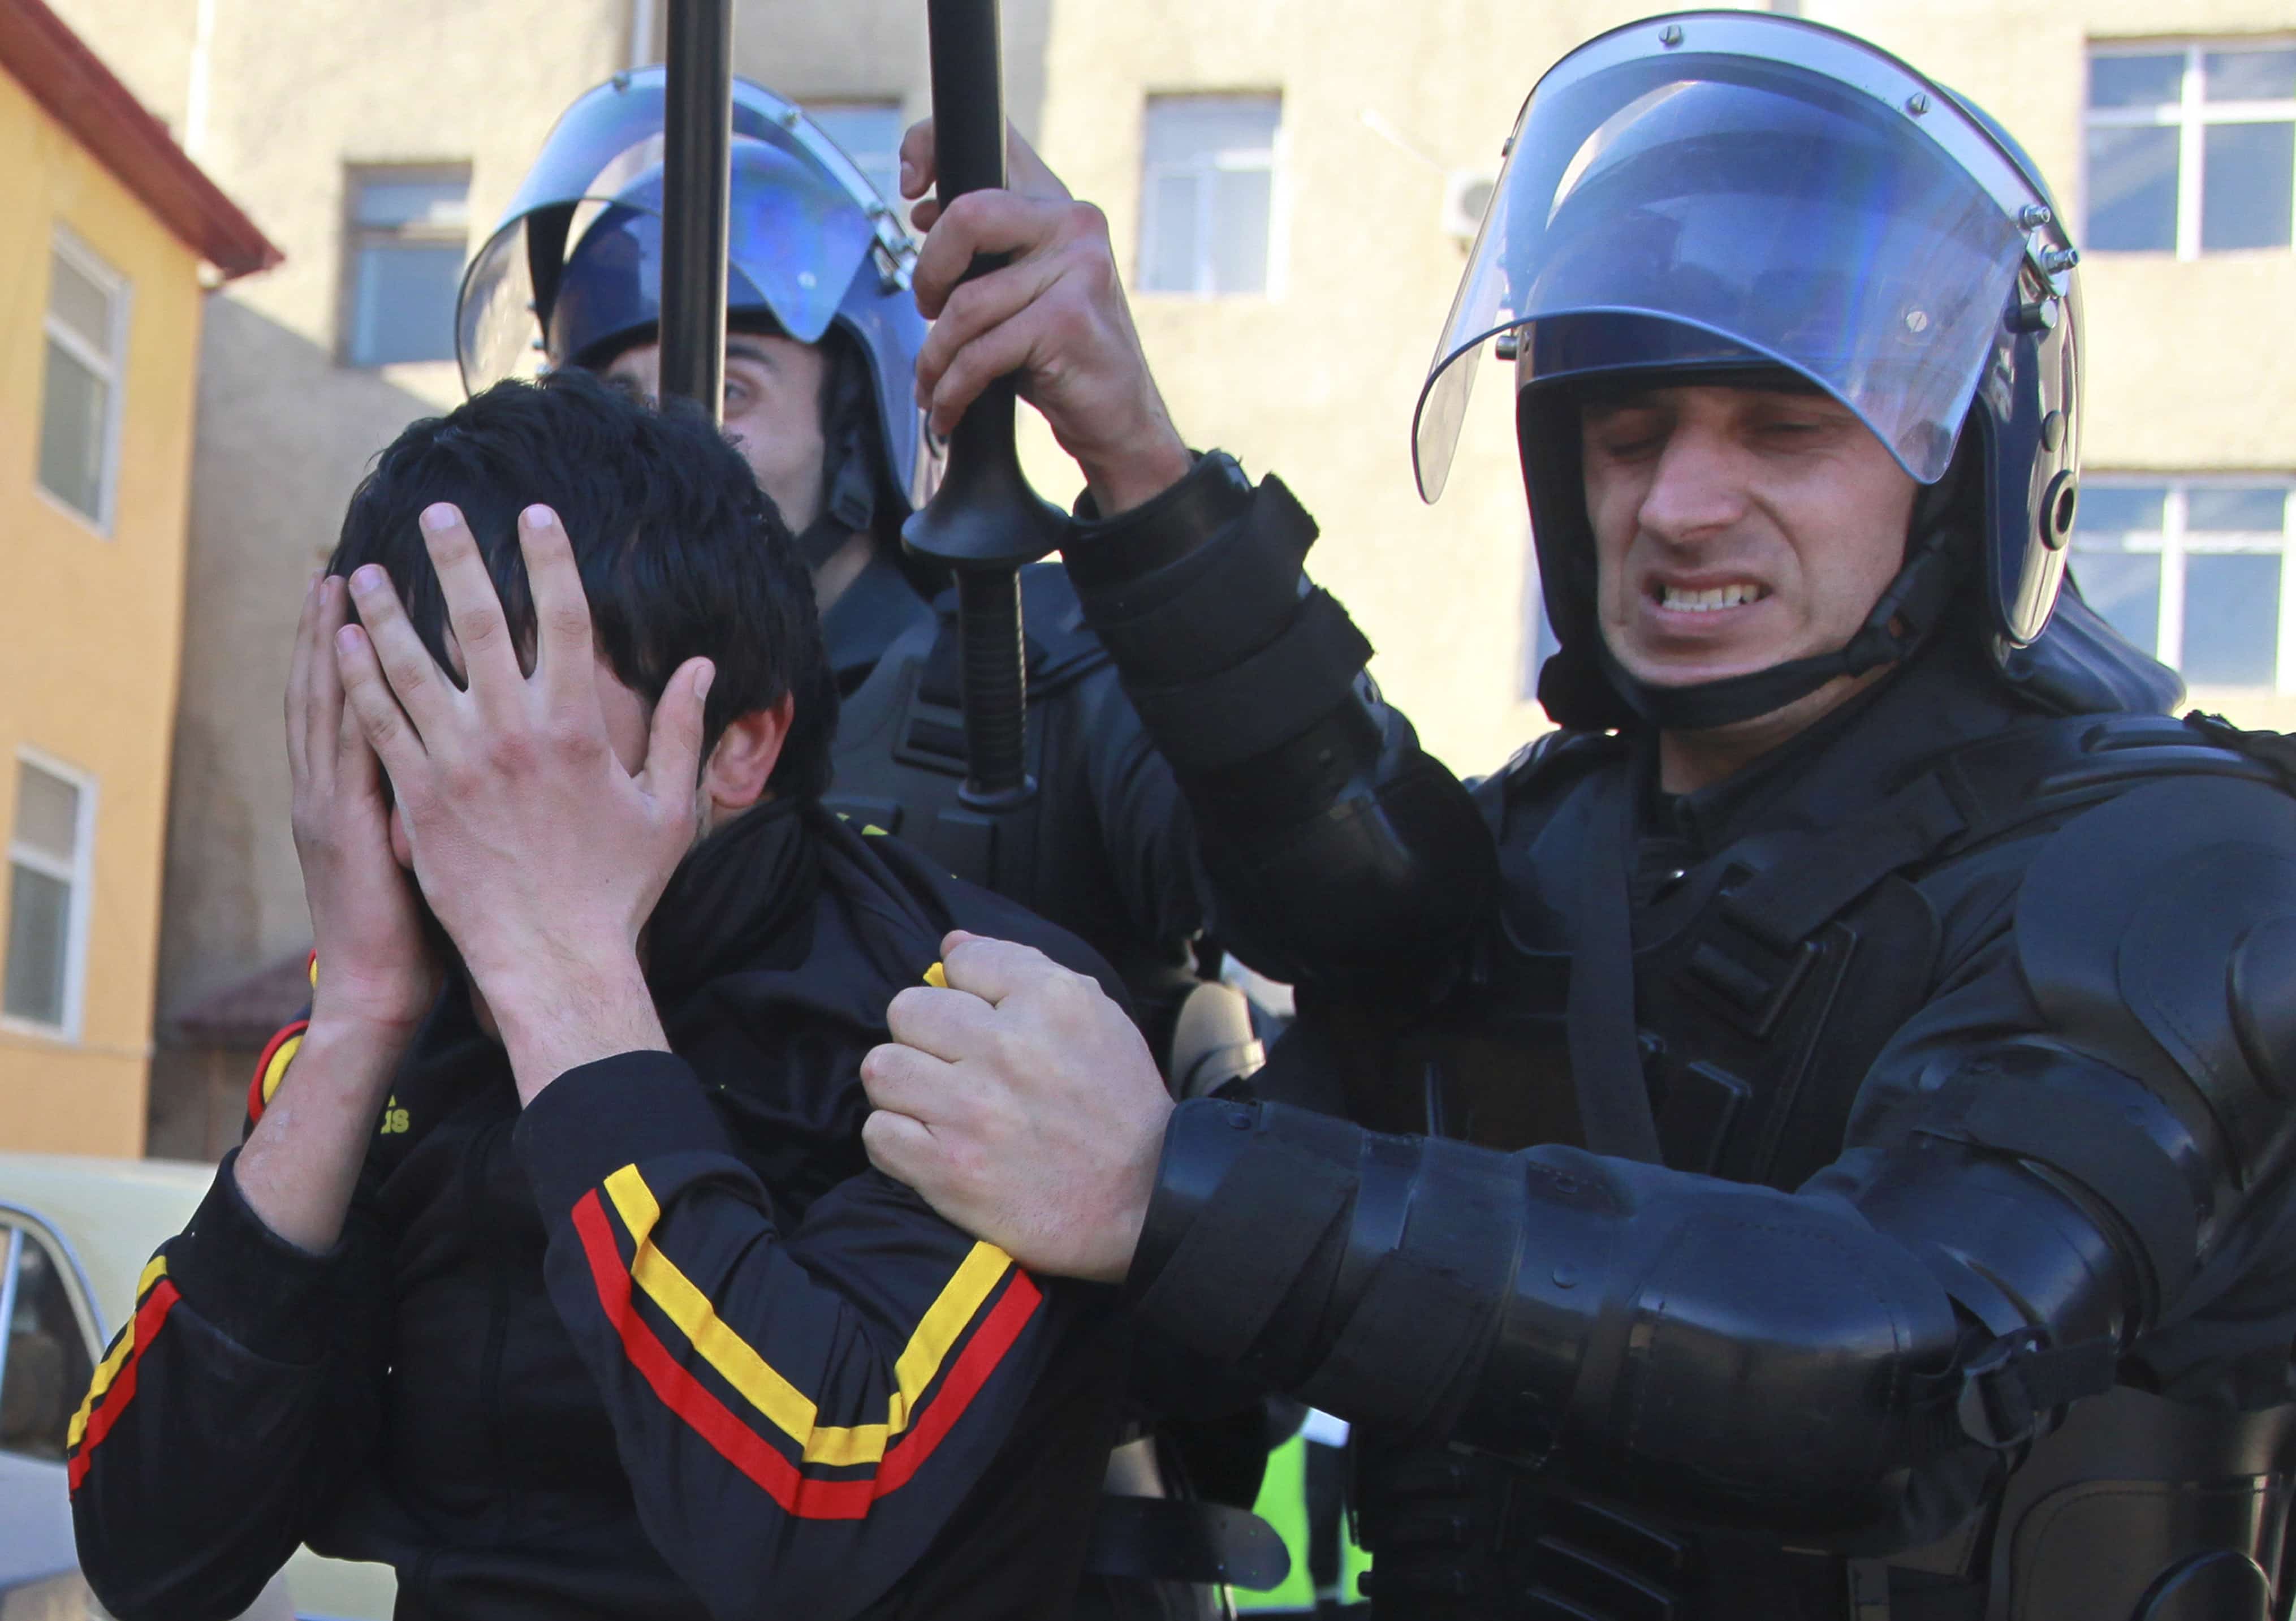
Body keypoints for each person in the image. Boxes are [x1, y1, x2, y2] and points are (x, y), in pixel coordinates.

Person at [855, 14, 2296, 1619]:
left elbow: (1889, 1368)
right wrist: (1125, 440)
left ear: (1960, 469)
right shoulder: (1552, 851)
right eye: (1627, 433)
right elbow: (1362, 892)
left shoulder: (2177, 870)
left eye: (1783, 428)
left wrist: (1162, 1186)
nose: (1677, 504)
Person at [68, 370, 1140, 1621]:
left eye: (514, 714)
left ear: (737, 742)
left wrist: (564, 980)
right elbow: (151, 1548)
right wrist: (359, 1011)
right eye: (406, 710)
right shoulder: (394, 1011)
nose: (446, 778)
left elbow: (801, 1498)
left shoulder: (974, 1014)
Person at [460, 71, 1288, 1614]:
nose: (664, 432)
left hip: (999, 1524)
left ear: (856, 404)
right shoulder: (525, 750)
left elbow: (1329, 897)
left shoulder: (1039, 669)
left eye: (728, 383)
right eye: (613, 392)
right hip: (617, 1506)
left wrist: (1146, 479)